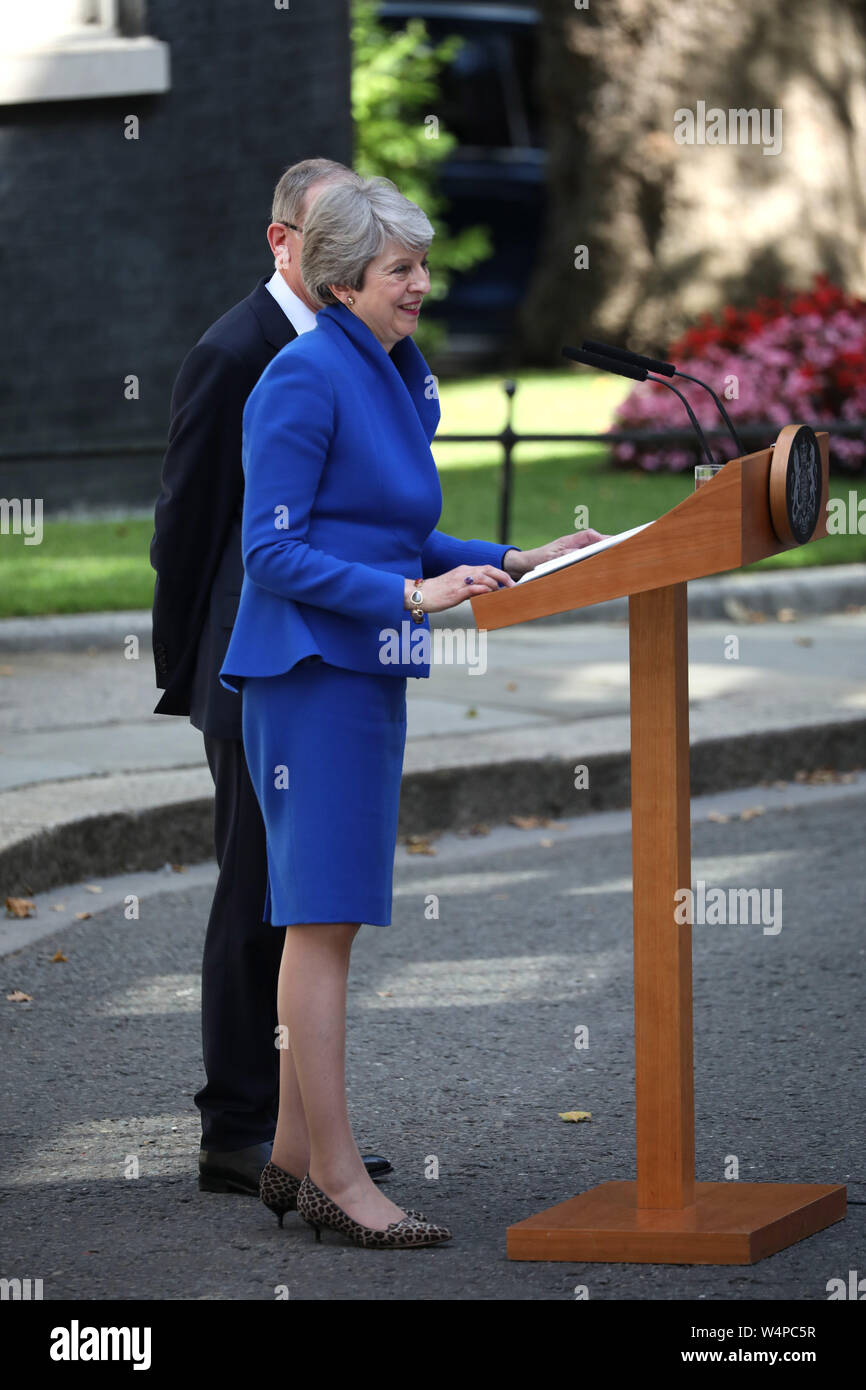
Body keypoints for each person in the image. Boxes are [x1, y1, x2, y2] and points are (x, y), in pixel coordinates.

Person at [219, 176, 604, 1249]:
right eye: (402, 271)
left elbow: (397, 530)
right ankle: (339, 1178)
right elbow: (271, 550)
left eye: (422, 267)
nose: (421, 286)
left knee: (327, 916)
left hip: (363, 667)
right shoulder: (300, 378)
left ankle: (293, 1157)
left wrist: (505, 559)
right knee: (322, 919)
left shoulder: (383, 371)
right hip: (310, 674)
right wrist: (407, 597)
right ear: (341, 281)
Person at [149, 158, 394, 1198]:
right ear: (283, 240)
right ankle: (237, 1127)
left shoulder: (361, 350)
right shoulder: (237, 348)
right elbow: (189, 526)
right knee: (254, 895)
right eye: (323, 225)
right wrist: (187, 673)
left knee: (299, 901)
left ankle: (299, 1133)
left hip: (323, 652)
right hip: (248, 663)